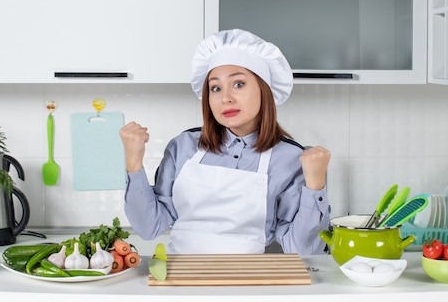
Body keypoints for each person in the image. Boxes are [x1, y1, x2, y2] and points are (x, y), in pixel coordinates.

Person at [119, 29, 331, 254]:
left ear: (264, 89)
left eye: (238, 84)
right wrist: (134, 163)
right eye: (215, 88)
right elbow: (149, 227)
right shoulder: (184, 146)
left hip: (248, 282)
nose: (225, 98)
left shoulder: (289, 159)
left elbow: (302, 250)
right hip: (180, 279)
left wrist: (315, 185)